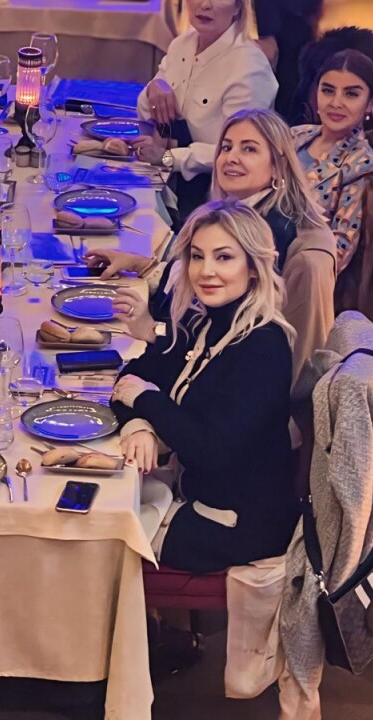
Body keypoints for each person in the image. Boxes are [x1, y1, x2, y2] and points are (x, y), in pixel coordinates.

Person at [110, 199, 297, 575]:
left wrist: (146, 400)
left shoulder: (264, 346)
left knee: (101, 535)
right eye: (197, 256)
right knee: (100, 500)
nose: (206, 271)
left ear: (254, 267)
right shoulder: (205, 323)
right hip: (193, 491)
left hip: (235, 523)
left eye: (223, 257)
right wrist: (138, 426)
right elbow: (131, 375)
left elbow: (210, 449)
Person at [92, 109, 336, 387]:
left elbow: (229, 338)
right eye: (227, 147)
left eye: (249, 149)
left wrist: (153, 330)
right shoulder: (242, 213)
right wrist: (144, 267)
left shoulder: (283, 241)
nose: (231, 157)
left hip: (222, 387)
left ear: (278, 165)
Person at [134, 0, 278, 224]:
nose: (205, 4)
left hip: (220, 200)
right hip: (168, 182)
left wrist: (168, 157)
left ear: (238, 7)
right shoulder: (181, 45)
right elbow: (146, 113)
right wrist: (155, 88)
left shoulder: (249, 67)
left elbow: (238, 154)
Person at [292, 49, 373, 273]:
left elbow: (338, 252)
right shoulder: (295, 136)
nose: (336, 102)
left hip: (295, 272)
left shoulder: (362, 165)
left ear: (370, 102)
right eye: (328, 90)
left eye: (351, 94)